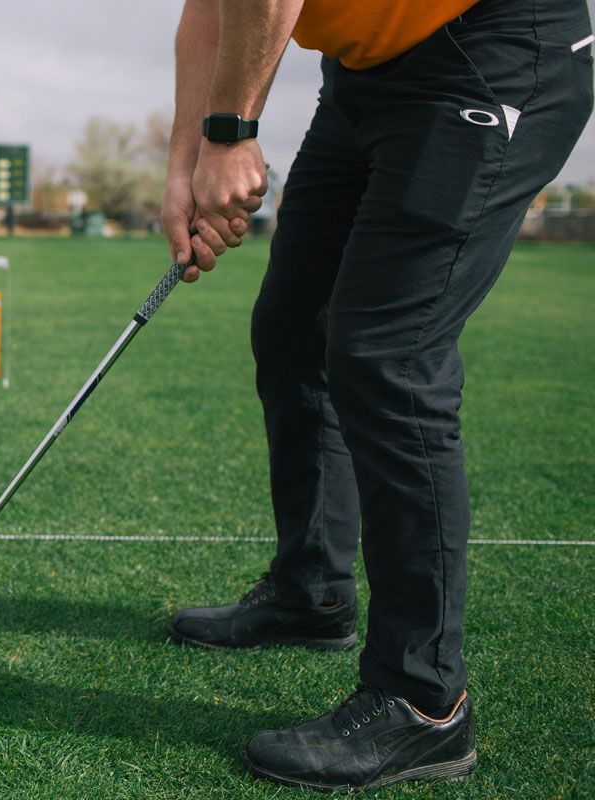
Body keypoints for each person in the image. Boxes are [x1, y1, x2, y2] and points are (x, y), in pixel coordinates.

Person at [161, 0, 592, 790]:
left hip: (493, 45)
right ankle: (313, 591)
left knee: (388, 356)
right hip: (364, 75)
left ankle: (424, 700)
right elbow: (208, 11)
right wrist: (185, 166)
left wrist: (233, 132)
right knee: (295, 328)